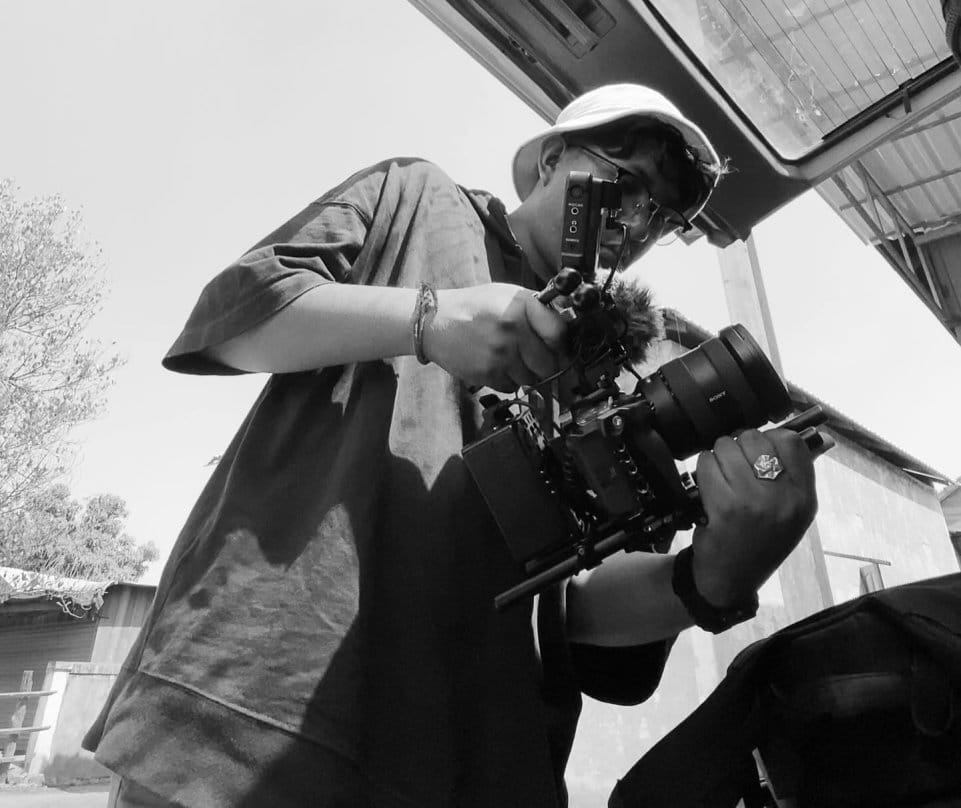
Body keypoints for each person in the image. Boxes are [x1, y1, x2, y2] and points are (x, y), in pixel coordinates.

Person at [87, 84, 818, 808]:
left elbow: (572, 614)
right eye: (625, 186)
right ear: (552, 161)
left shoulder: (602, 377)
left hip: (471, 772)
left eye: (660, 216)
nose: (634, 224)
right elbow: (233, 319)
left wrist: (717, 575)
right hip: (252, 716)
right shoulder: (418, 198)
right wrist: (428, 320)